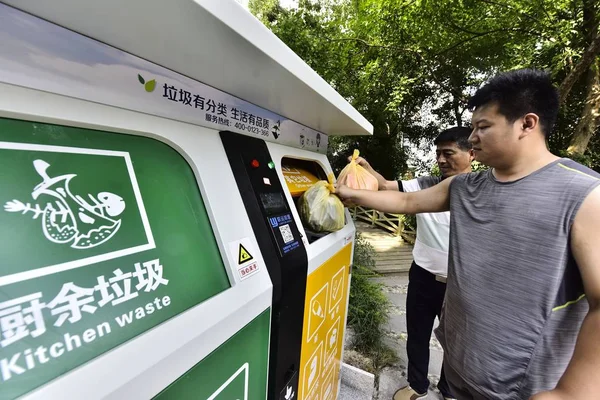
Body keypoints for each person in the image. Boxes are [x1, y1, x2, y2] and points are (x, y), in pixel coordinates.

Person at [336, 69, 600, 399]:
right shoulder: (465, 186)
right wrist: (349, 193)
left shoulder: (584, 194)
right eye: (473, 127)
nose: (472, 138)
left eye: (483, 127)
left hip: (526, 389)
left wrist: (573, 392)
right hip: (461, 372)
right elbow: (406, 199)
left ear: (527, 124)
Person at [350, 127, 473, 400]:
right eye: (438, 153)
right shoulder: (425, 184)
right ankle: (416, 385)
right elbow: (386, 187)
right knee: (417, 333)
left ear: (472, 153)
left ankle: (449, 390)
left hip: (461, 283)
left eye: (448, 153)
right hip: (423, 275)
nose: (441, 159)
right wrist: (367, 169)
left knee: (456, 341)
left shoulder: (481, 191)